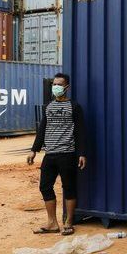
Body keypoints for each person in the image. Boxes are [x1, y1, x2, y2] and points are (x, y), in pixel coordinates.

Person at [27, 72, 86, 235]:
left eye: (59, 84)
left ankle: (68, 223)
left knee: (69, 188)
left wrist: (82, 153)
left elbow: (81, 131)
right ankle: (52, 223)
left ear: (66, 87)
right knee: (45, 186)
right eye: (54, 84)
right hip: (50, 154)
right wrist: (34, 150)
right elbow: (42, 130)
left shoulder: (74, 107)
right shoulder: (48, 107)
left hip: (67, 153)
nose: (56, 87)